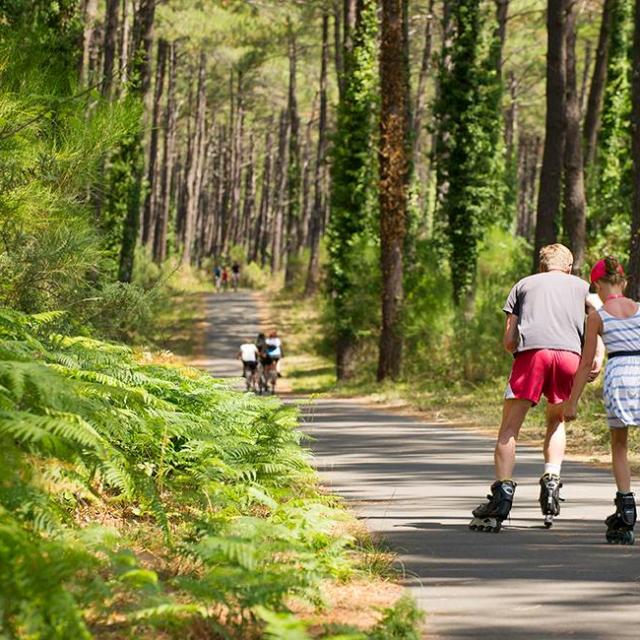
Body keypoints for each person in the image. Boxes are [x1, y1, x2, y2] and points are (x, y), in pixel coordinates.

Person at [469, 243, 604, 533]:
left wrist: (519, 349)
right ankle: (552, 480)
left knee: (509, 429)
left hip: (533, 356)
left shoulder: (523, 285)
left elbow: (508, 341)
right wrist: (597, 358)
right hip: (570, 356)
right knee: (556, 421)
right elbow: (601, 323)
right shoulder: (583, 288)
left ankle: (503, 494)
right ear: (568, 267)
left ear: (542, 266)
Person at [563, 257, 639, 544]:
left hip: (619, 376)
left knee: (620, 446)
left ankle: (626, 507)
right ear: (624, 281)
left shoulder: (597, 316)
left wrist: (572, 402)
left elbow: (585, 364)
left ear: (597, 284)